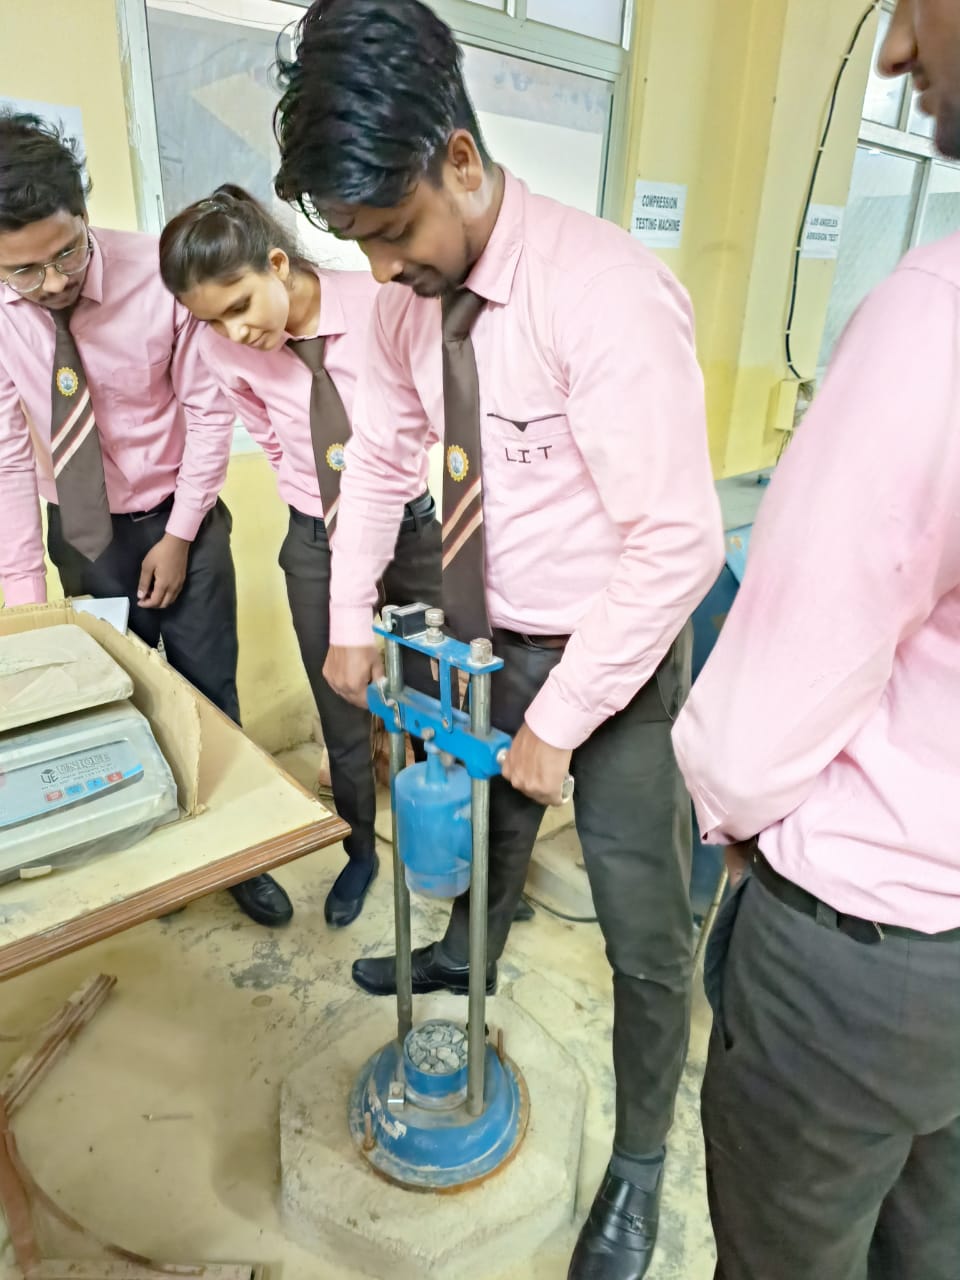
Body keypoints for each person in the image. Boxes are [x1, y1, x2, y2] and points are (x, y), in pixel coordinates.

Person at [273, 4, 723, 1276]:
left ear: (461, 160)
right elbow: (382, 464)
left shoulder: (603, 293)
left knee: (644, 930)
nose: (380, 270)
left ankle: (640, 1160)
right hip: (485, 642)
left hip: (615, 658)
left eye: (393, 230)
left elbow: (679, 544)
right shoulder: (405, 306)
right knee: (485, 842)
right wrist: (349, 620)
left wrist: (560, 721)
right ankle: (454, 961)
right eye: (356, 243)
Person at [672, 4, 960, 1277]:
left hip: (870, 954)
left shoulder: (934, 318)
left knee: (789, 1244)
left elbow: (764, 716)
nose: (894, 52)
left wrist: (727, 807)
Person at [0, 112, 291, 928]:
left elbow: (207, 412)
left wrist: (180, 534)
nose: (51, 282)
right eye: (22, 270)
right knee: (109, 697)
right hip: (81, 533)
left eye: (66, 253)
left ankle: (239, 854)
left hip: (179, 519)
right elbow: (8, 459)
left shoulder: (154, 276)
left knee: (209, 691)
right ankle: (154, 844)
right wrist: (27, 604)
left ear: (83, 212)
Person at [158, 184, 442, 927]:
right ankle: (360, 852)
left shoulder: (383, 303)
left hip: (408, 531)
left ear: (278, 264)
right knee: (342, 703)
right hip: (316, 538)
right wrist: (314, 507)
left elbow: (435, 414)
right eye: (212, 320)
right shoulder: (225, 351)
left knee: (431, 697)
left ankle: (444, 847)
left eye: (240, 304)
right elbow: (271, 435)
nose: (234, 331)